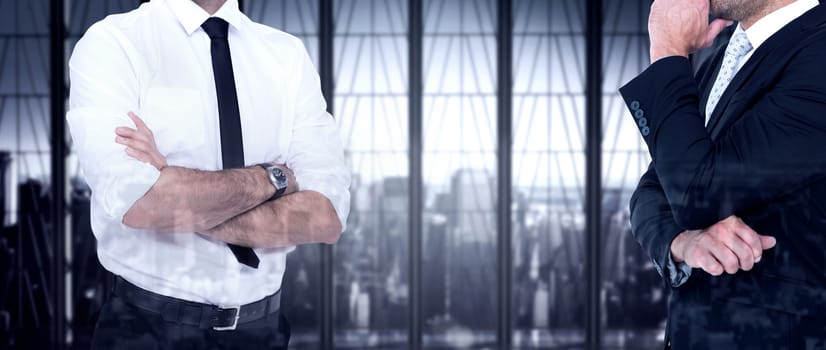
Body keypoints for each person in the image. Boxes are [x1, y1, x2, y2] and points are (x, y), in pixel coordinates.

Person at [67, 0, 350, 348]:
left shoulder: (287, 56)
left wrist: (172, 184)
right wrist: (274, 178)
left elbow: (325, 218)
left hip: (262, 332)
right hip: (147, 331)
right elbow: (139, 203)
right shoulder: (114, 44)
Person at [621, 0, 826, 348]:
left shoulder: (819, 56)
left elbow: (696, 195)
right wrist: (682, 242)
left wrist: (668, 50)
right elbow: (652, 189)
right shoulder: (726, 53)